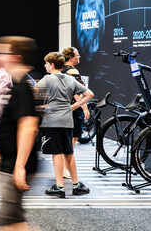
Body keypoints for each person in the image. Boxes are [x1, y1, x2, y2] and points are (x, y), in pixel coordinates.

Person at [0, 36, 40, 231]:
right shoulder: (20, 85)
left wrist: (19, 167)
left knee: (9, 220)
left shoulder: (21, 89)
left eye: (0, 53)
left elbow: (28, 126)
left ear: (16, 57)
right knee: (12, 218)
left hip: (16, 165)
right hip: (12, 163)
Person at [36, 52, 94, 198]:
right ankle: (76, 185)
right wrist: (73, 107)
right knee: (69, 153)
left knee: (56, 154)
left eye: (46, 63)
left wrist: (41, 107)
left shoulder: (47, 79)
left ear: (52, 65)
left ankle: (59, 187)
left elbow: (33, 93)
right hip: (67, 121)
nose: (45, 66)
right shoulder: (70, 79)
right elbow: (89, 94)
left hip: (52, 121)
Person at [60, 46, 89, 179]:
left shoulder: (62, 70)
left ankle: (63, 167)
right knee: (72, 139)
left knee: (67, 139)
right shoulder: (72, 71)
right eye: (77, 55)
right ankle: (65, 168)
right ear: (71, 58)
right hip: (73, 109)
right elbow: (77, 92)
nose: (79, 57)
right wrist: (85, 108)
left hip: (64, 108)